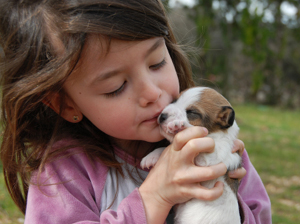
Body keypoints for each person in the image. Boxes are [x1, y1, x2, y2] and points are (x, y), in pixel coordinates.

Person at [0, 0, 271, 223]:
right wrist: (153, 199)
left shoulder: (218, 147)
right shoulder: (63, 170)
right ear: (65, 104)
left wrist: (225, 199)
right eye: (116, 87)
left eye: (156, 63)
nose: (152, 93)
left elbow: (260, 215)